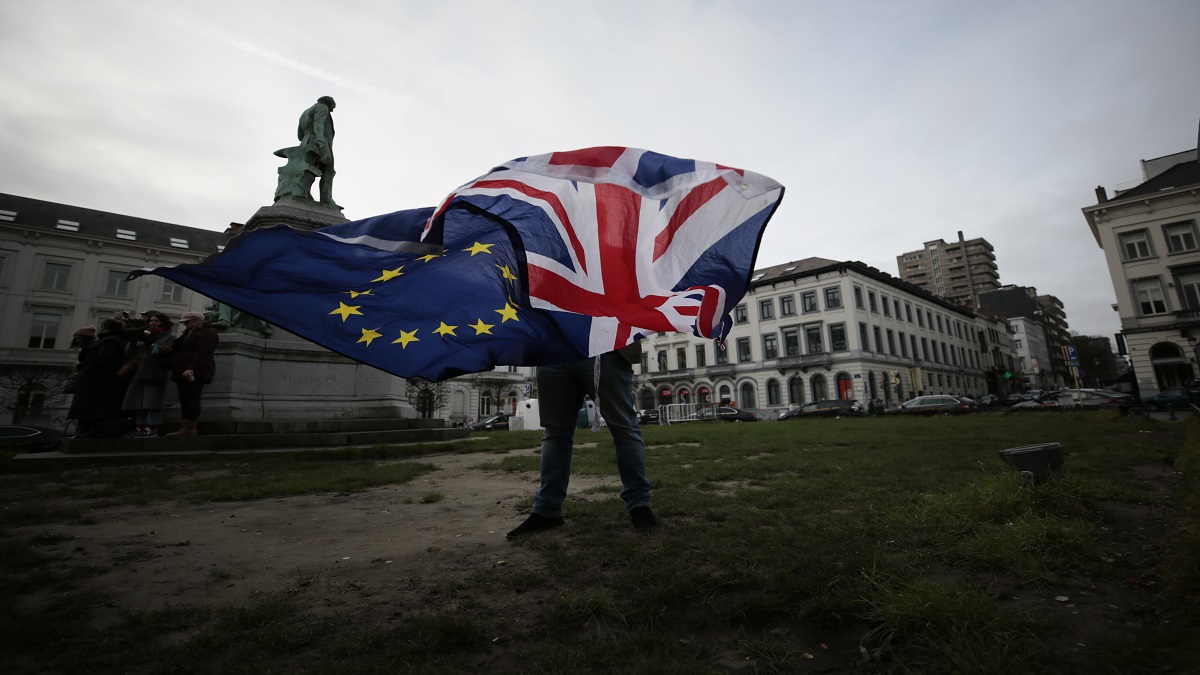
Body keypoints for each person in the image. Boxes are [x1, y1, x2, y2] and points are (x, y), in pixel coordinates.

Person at [506, 343, 656, 539]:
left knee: (624, 429)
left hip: (605, 347)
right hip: (554, 350)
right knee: (555, 434)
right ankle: (546, 510)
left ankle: (639, 504)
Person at [67, 318, 127, 437]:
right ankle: (86, 431)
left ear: (104, 327)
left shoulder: (109, 341)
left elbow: (103, 359)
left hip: (96, 381)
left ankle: (88, 432)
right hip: (98, 380)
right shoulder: (111, 340)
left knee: (91, 409)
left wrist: (86, 370)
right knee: (90, 409)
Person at [120, 311, 176, 437]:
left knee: (153, 402)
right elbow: (129, 352)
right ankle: (140, 427)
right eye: (151, 321)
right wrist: (134, 339)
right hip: (140, 372)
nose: (152, 323)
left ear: (164, 323)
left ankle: (153, 428)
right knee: (138, 402)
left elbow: (161, 352)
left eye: (156, 321)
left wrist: (151, 341)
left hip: (155, 373)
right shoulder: (144, 335)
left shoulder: (170, 338)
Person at [166, 311, 218, 437]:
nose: (185, 325)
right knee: (185, 398)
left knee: (192, 398)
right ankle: (186, 426)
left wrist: (192, 368)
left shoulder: (206, 332)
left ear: (195, 321)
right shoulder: (191, 332)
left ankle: (190, 427)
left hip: (195, 372)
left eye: (187, 322)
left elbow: (203, 352)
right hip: (184, 370)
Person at [297, 95, 339, 208]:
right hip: (320, 141)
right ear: (329, 104)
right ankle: (326, 199)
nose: (332, 110)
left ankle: (303, 192)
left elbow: (299, 135)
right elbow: (318, 122)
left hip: (306, 141)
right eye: (332, 108)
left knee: (308, 168)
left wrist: (308, 138)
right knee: (328, 170)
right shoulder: (322, 108)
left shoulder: (305, 112)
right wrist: (319, 138)